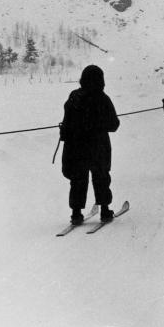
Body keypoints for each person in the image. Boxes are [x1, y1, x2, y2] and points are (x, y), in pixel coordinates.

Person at [60, 65, 120, 224]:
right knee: (101, 176)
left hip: (76, 146)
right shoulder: (102, 98)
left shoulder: (74, 96)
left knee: (78, 179)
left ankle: (76, 213)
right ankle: (105, 211)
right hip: (97, 146)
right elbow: (114, 124)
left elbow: (67, 122)